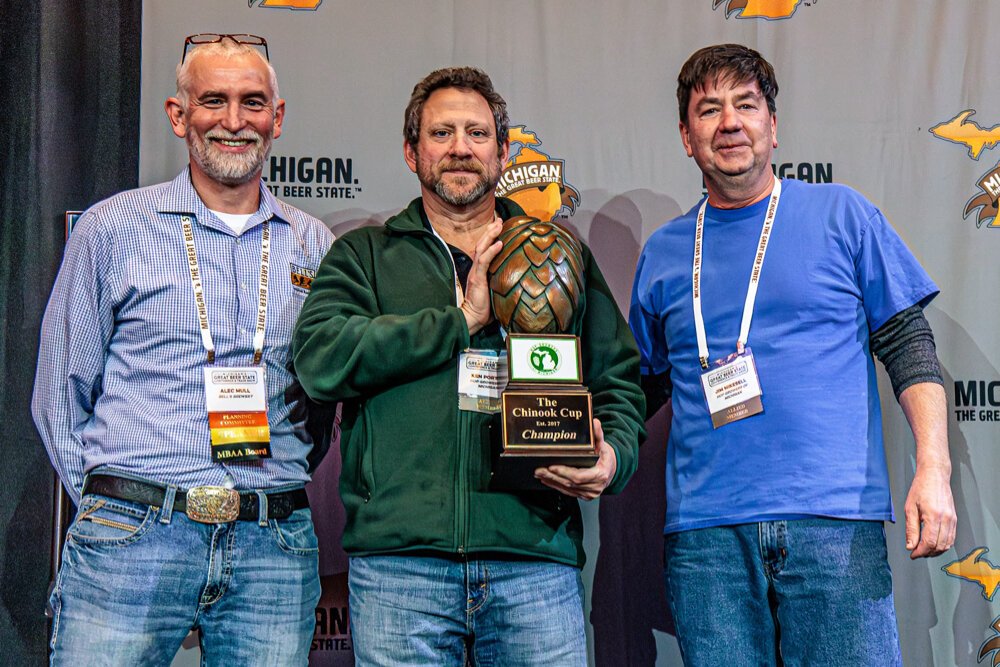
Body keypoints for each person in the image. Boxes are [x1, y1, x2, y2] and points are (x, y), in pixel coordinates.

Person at [292, 66, 645, 666]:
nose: (460, 148)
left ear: (504, 151)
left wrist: (613, 457)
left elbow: (618, 381)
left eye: (477, 133)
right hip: (402, 570)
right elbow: (321, 359)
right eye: (442, 133)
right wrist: (460, 321)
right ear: (412, 152)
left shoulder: (560, 254)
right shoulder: (365, 255)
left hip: (534, 559)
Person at [629, 44, 956, 666]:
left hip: (832, 522)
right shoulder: (665, 252)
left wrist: (933, 469)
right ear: (685, 135)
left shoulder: (843, 214)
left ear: (773, 127)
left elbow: (908, 343)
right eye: (709, 109)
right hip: (707, 539)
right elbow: (644, 387)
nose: (729, 122)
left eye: (746, 105)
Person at [32, 34, 333, 665]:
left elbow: (321, 403)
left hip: (271, 544)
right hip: (134, 532)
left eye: (252, 103)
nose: (233, 121)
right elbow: (61, 389)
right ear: (178, 115)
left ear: (276, 119)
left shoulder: (313, 245)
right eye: (213, 100)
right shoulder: (111, 227)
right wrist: (106, 502)